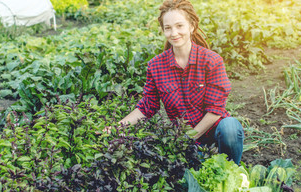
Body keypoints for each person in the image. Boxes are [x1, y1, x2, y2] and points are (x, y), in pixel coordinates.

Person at [104, 0, 244, 165]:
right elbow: (147, 106)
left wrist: (188, 138)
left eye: (179, 26)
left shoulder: (211, 60)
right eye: (168, 28)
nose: (174, 33)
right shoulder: (156, 66)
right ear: (163, 30)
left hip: (212, 131)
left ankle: (232, 170)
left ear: (191, 26)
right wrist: (116, 128)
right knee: (190, 176)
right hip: (184, 138)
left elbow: (215, 110)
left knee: (230, 127)